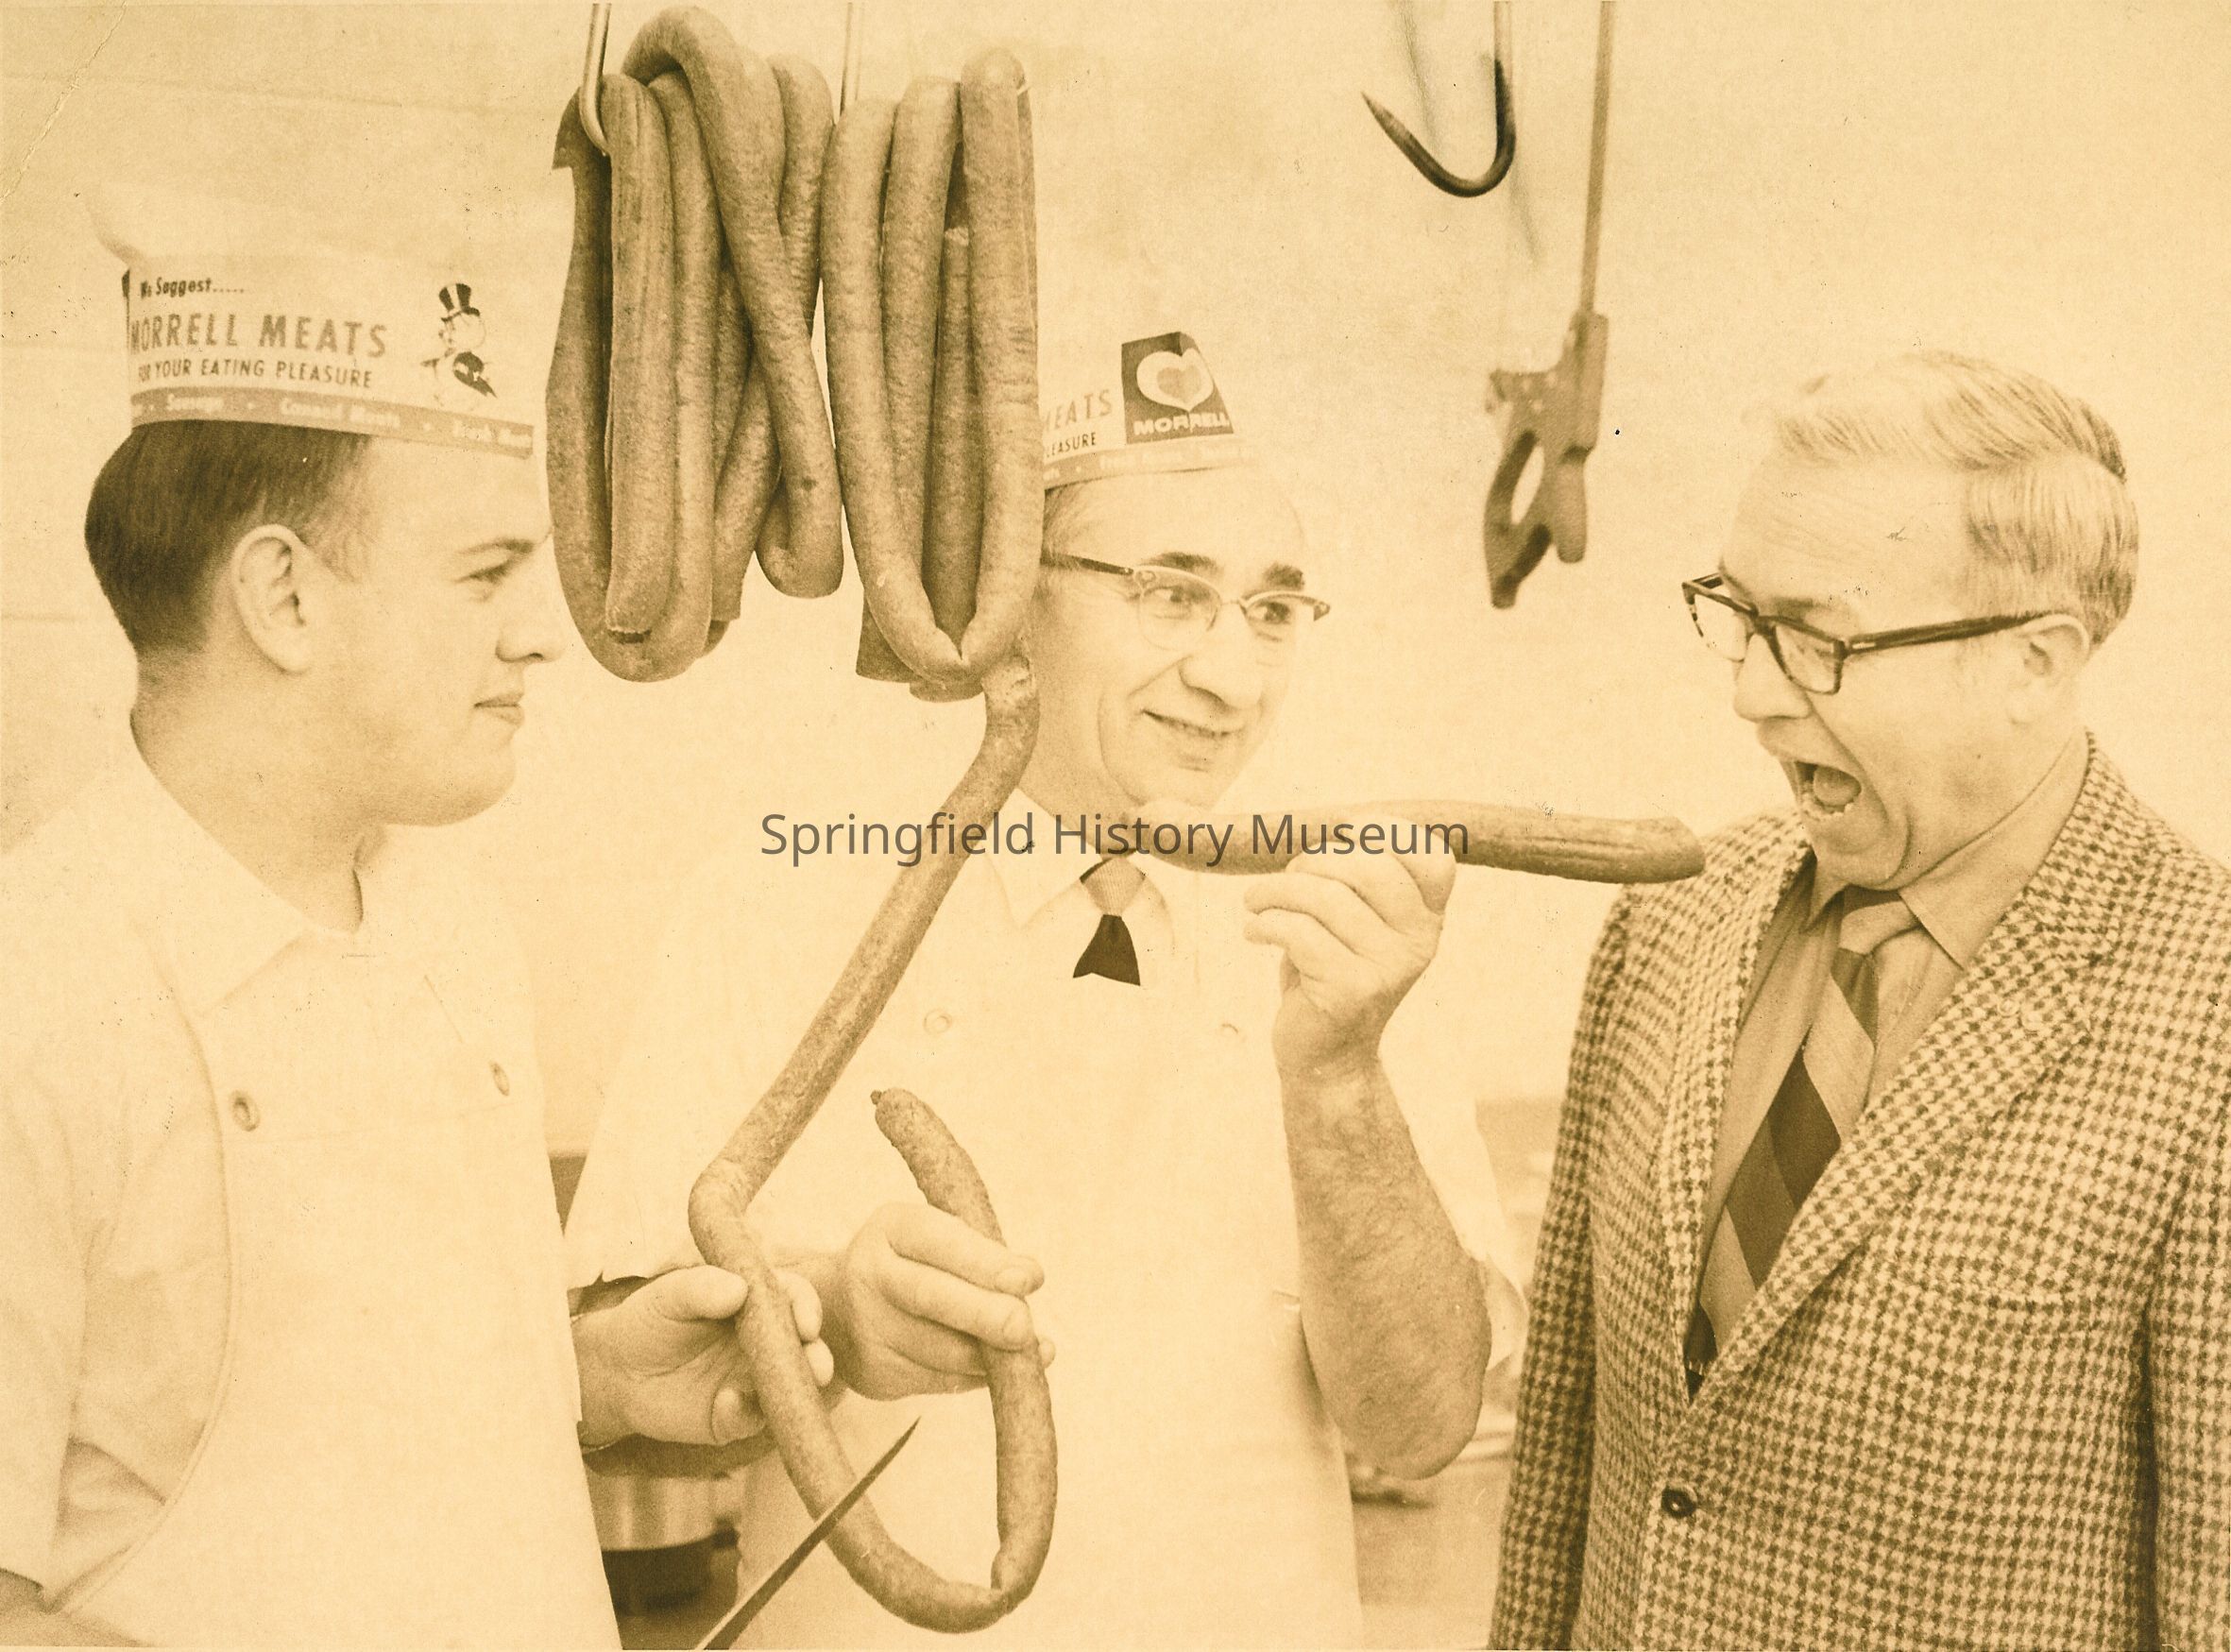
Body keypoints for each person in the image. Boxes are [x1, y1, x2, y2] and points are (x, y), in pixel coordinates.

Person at [563, 329, 1527, 1647]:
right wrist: (827, 1319)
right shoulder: (777, 901)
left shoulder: (1345, 935)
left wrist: (1343, 1079)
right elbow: (612, 1406)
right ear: (1011, 605)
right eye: (1170, 594)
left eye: (1271, 609)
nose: (1232, 676)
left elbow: (1416, 1431)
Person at [0, 198, 826, 1647]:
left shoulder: (454, 928)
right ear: (282, 597)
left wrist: (596, 1381)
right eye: (484, 572)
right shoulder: (41, 984)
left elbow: (370, 1428)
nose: (539, 630)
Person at [1491, 351, 2231, 1650]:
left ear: (2036, 661)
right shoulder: (1668, 913)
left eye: (1821, 641)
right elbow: (1557, 1465)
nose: (1750, 693)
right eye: (1740, 614)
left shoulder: (2206, 1010)